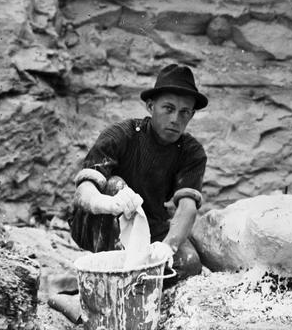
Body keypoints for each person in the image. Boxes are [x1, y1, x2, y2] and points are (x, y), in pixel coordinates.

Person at [70, 63, 208, 281]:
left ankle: (131, 286)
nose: (176, 119)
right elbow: (84, 191)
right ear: (150, 106)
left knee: (189, 264)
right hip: (99, 223)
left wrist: (168, 247)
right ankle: (110, 277)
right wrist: (105, 203)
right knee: (116, 185)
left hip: (148, 224)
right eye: (168, 109)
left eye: (184, 112)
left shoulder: (192, 152)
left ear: (191, 116)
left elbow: (187, 208)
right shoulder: (121, 135)